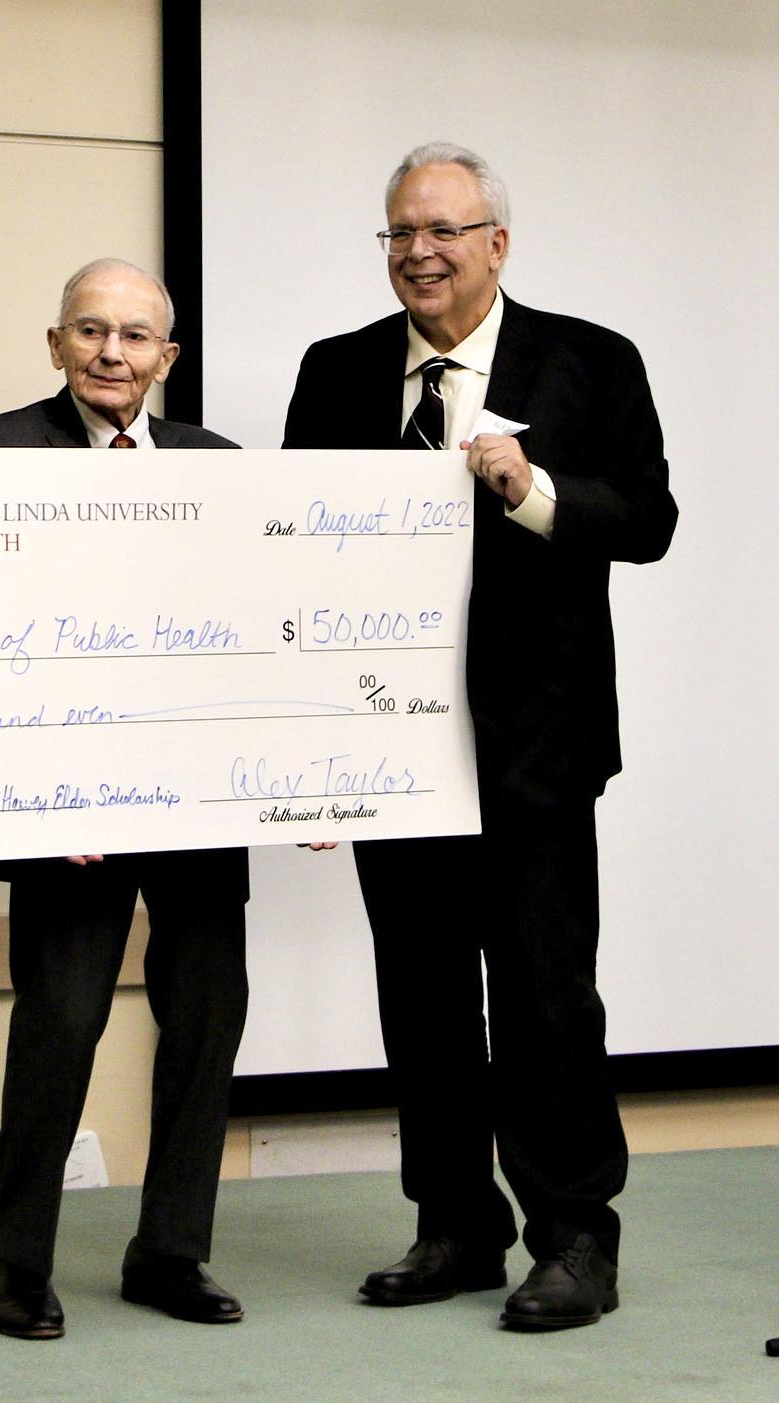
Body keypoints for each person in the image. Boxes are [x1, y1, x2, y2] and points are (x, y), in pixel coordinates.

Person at [283, 143, 676, 1330]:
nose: (421, 252)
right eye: (402, 232)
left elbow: (649, 519)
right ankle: (454, 1226)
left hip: (537, 752)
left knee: (550, 998)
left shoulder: (591, 361)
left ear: (496, 243)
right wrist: (311, 763)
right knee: (423, 999)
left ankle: (573, 1240)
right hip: (387, 755)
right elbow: (295, 545)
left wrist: (533, 490)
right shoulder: (337, 370)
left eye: (446, 230)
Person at [0, 259, 250, 1339]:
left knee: (209, 1015)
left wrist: (317, 772)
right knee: (62, 1022)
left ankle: (171, 1252)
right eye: (90, 331)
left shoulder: (219, 466)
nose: (112, 353)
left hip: (200, 807)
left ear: (166, 359)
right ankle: (18, 1265)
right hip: (63, 816)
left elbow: (255, 630)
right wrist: (41, 795)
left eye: (135, 337)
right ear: (54, 344)